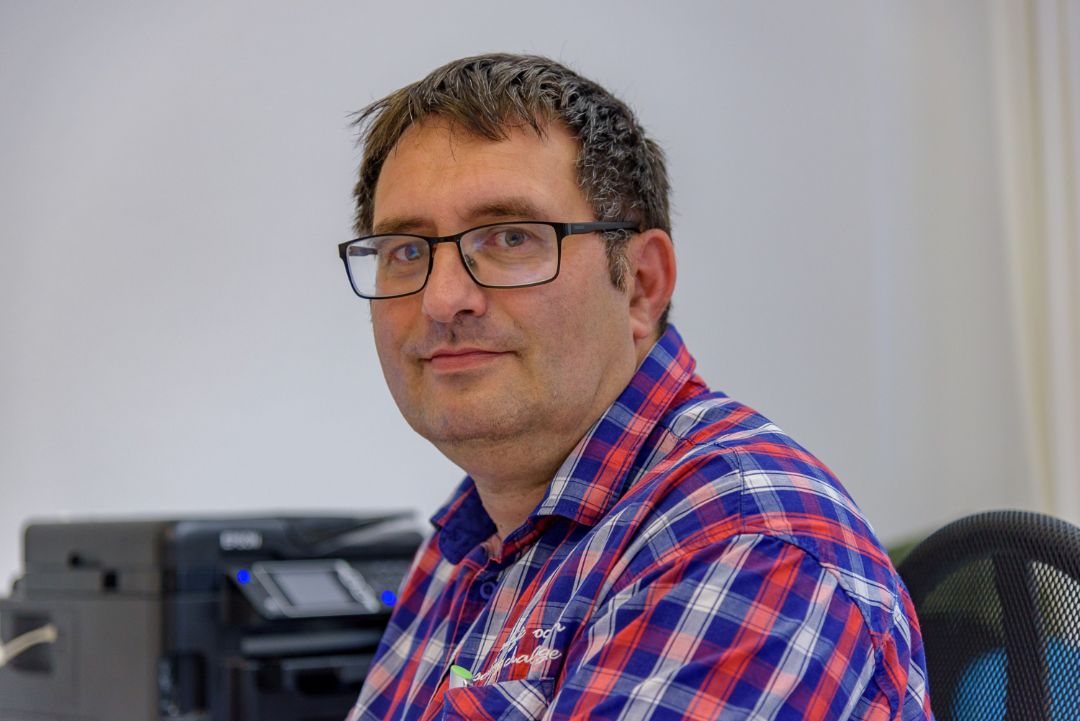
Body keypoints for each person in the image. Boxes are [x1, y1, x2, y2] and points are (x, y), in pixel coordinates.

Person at [339, 54, 932, 721]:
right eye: (406, 250)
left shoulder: (741, 545)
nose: (444, 298)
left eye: (510, 237)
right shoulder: (473, 537)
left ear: (642, 286)